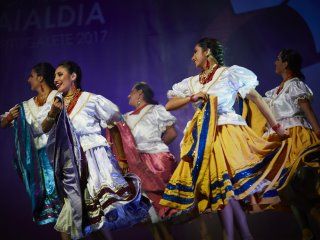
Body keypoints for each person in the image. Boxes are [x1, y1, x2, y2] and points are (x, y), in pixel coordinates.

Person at [159, 38, 289, 240]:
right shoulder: (193, 82)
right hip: (203, 138)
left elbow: (256, 98)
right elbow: (169, 104)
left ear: (207, 52)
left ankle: (231, 235)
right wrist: (191, 98)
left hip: (226, 133)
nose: (193, 57)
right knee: (220, 190)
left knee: (225, 189)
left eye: (196, 52)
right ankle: (243, 235)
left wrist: (277, 127)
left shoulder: (229, 73)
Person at [41, 61, 150, 240]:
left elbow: (113, 124)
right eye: (55, 76)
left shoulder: (91, 99)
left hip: (93, 160)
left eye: (60, 74)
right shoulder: (56, 104)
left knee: (94, 218)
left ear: (73, 76)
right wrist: (53, 112)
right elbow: (44, 128)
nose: (56, 79)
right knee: (84, 220)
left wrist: (121, 158)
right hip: (71, 164)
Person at [262, 49, 320, 240]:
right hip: (282, 140)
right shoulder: (276, 91)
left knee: (295, 180)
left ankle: (311, 219)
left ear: (286, 64)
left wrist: (318, 131)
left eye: (278, 60)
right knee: (283, 185)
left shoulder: (294, 85)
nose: (275, 63)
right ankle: (306, 229)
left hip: (297, 135)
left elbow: (306, 109)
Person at [1, 62, 61, 225]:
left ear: (40, 78)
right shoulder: (25, 106)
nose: (28, 80)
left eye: (31, 76)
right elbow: (2, 122)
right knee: (59, 216)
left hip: (59, 158)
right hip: (40, 163)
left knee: (71, 211)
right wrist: (8, 118)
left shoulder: (58, 97)